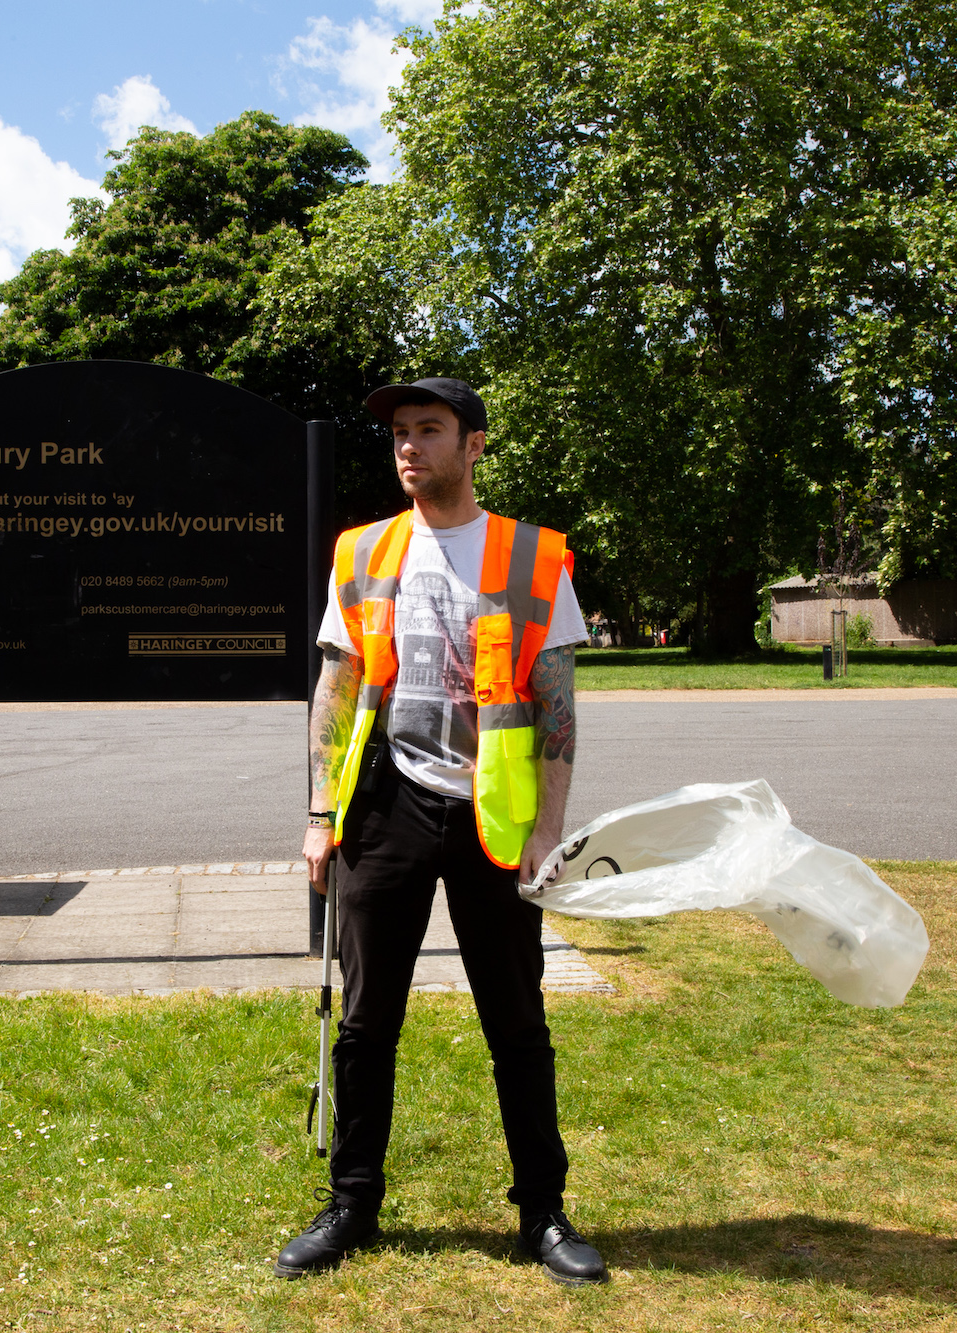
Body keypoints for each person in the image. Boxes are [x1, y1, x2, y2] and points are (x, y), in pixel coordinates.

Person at [278, 377, 606, 1287]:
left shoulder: (532, 557)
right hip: (384, 806)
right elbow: (337, 690)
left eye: (430, 430)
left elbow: (556, 704)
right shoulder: (366, 551)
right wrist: (318, 814)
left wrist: (549, 827)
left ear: (476, 445)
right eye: (398, 433)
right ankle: (351, 1203)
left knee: (517, 1021)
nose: (409, 447)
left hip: (496, 822)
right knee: (365, 1019)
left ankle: (543, 1212)